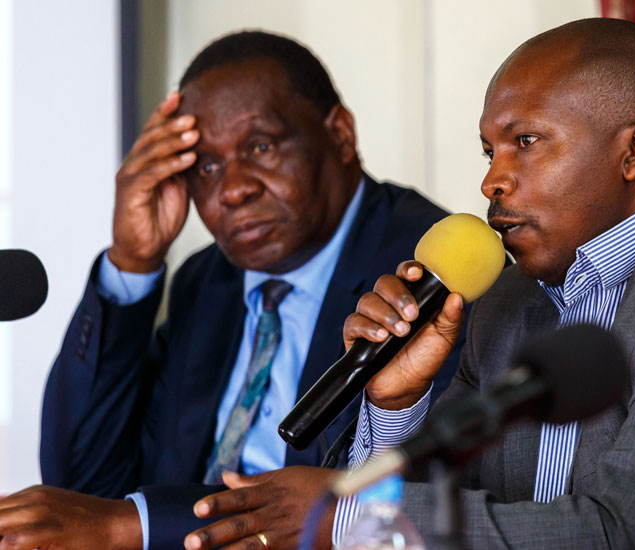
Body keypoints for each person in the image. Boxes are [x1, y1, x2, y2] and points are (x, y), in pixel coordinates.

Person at [179, 17, 635, 550]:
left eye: (526, 141)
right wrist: (397, 402)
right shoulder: (510, 296)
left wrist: (353, 520)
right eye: (491, 152)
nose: (492, 181)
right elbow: (456, 506)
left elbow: (623, 533)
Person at [0, 31, 462, 550]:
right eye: (207, 166)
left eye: (260, 147)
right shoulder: (207, 281)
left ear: (340, 134)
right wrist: (133, 263)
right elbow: (81, 489)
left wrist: (134, 525)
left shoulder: (425, 274)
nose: (233, 189)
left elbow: (374, 510)